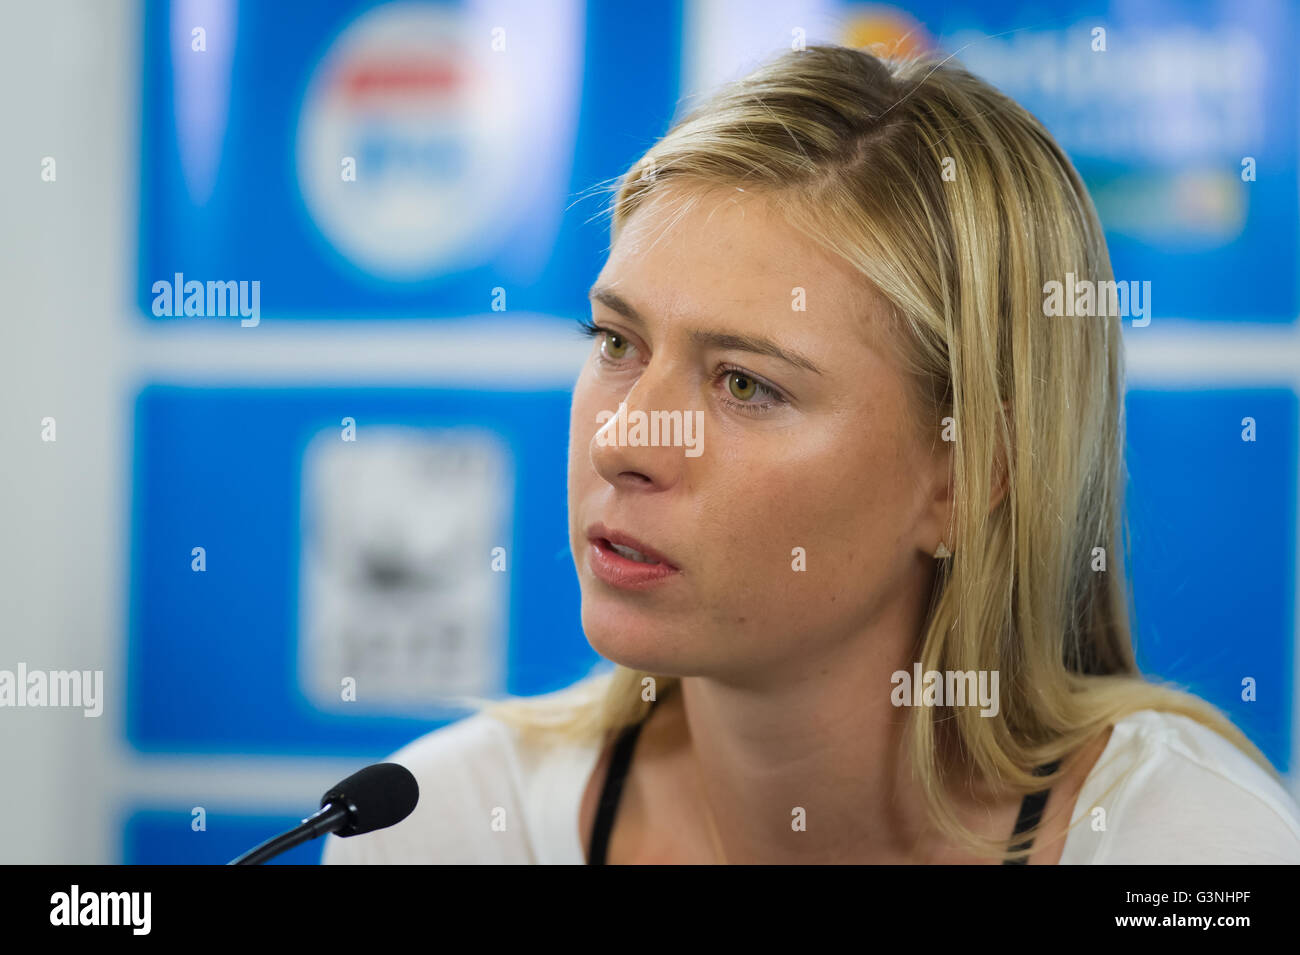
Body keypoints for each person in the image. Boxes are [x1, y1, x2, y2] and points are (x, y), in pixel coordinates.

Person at [323, 44, 1300, 864]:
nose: (624, 441)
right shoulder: (433, 831)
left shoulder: (1188, 852)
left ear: (970, 477)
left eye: (745, 383)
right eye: (617, 343)